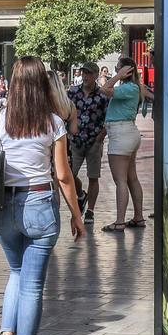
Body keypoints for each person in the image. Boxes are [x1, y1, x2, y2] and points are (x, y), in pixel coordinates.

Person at [0, 57, 85, 335]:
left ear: (14, 83)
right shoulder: (53, 123)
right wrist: (77, 215)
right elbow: (63, 176)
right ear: (42, 86)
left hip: (4, 207)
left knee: (16, 273)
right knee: (32, 285)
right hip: (40, 205)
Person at [100, 56, 152, 233]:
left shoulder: (129, 88)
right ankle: (138, 217)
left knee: (120, 180)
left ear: (126, 71)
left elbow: (104, 89)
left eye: (118, 67)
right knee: (131, 178)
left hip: (121, 135)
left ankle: (120, 221)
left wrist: (116, 76)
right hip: (127, 133)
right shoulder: (132, 87)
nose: (116, 70)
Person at [68, 62, 107, 224]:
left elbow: (107, 118)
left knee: (93, 176)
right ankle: (80, 195)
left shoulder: (102, 95)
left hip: (93, 141)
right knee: (70, 173)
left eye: (89, 73)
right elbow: (66, 112)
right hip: (75, 142)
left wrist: (99, 137)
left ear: (96, 75)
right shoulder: (73, 93)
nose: (85, 76)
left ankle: (90, 210)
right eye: (83, 73)